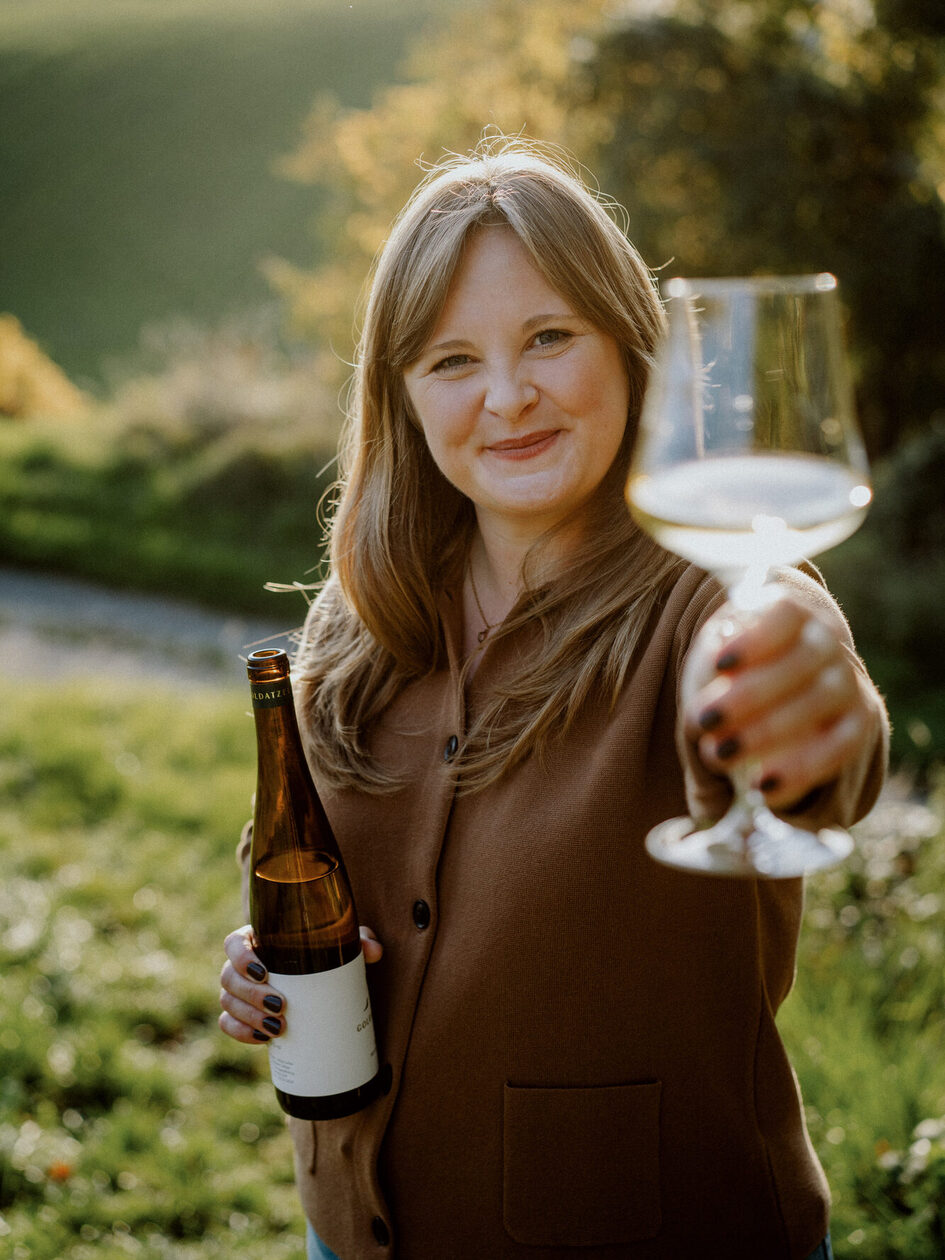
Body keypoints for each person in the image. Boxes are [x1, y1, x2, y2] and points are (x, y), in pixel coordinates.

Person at [219, 138, 888, 1260]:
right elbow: (310, 870)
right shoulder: (361, 617)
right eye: (451, 361)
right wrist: (257, 962)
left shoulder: (711, 592)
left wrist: (813, 704)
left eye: (547, 338)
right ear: (405, 400)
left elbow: (818, 737)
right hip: (356, 1228)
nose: (508, 395)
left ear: (632, 350)